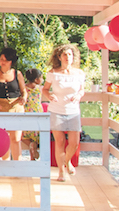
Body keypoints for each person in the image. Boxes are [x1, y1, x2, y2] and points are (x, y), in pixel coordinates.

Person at [42, 43, 86, 181]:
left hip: (73, 111)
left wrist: (79, 96)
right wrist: (49, 96)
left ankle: (67, 162)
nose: (67, 57)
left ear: (73, 57)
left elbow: (82, 89)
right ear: (59, 57)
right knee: (59, 142)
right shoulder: (53, 73)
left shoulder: (79, 73)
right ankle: (61, 171)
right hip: (56, 110)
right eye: (65, 55)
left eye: (70, 55)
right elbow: (45, 89)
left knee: (74, 143)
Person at [0, 47, 27, 160]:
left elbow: (24, 92)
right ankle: (5, 163)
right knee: (3, 137)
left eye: (5, 60)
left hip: (16, 106)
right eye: (1, 59)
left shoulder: (17, 74)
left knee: (16, 138)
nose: (2, 62)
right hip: (0, 106)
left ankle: (18, 164)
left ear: (11, 62)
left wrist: (23, 98)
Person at [20, 68, 44, 161]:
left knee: (23, 135)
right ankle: (32, 156)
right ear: (36, 79)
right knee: (35, 136)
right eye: (41, 78)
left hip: (27, 113)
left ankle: (30, 146)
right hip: (37, 113)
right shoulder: (39, 89)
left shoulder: (24, 88)